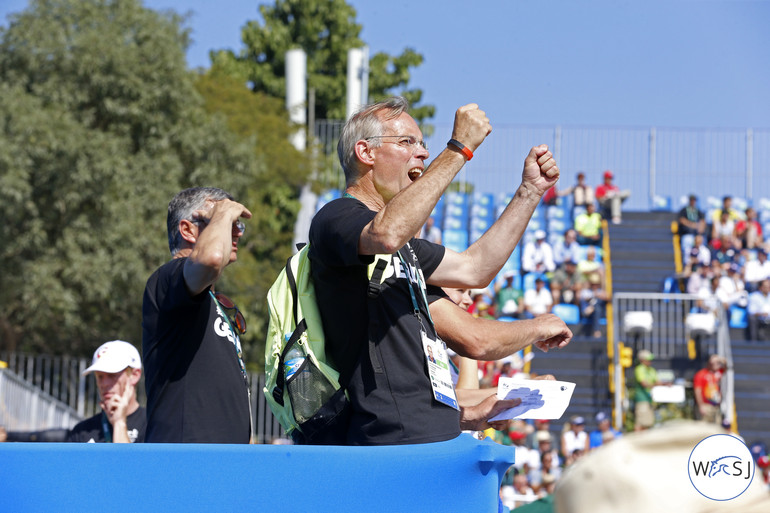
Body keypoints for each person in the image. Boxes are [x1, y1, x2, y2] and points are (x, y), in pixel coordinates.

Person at [308, 97, 569, 445]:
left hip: (429, 442)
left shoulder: (404, 250)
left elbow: (475, 269)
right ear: (365, 153)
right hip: (390, 448)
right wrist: (459, 149)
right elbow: (385, 233)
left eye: (422, 143)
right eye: (406, 142)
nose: (422, 153)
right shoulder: (338, 217)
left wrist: (529, 191)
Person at [142, 187, 252, 443]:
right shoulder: (166, 280)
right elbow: (211, 259)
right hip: (185, 461)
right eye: (223, 222)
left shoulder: (216, 301)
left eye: (238, 225)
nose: (235, 232)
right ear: (187, 230)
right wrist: (224, 211)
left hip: (224, 463)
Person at [66, 340, 145, 443]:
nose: (104, 384)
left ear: (134, 375)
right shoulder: (81, 431)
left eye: (112, 375)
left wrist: (119, 423)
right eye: (100, 376)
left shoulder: (153, 426)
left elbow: (124, 459)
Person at [693, 354, 726, 424]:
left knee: (717, 429)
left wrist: (720, 360)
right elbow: (697, 391)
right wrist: (701, 405)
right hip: (706, 406)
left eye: (718, 363)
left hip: (716, 406)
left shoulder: (717, 374)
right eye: (714, 363)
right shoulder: (701, 374)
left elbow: (726, 367)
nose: (716, 365)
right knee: (704, 428)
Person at [632, 349, 660, 431]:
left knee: (648, 423)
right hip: (642, 399)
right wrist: (656, 384)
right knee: (640, 423)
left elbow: (658, 382)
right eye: (648, 359)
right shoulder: (639, 369)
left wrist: (666, 384)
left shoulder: (652, 370)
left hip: (650, 400)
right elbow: (644, 384)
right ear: (642, 360)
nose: (650, 361)